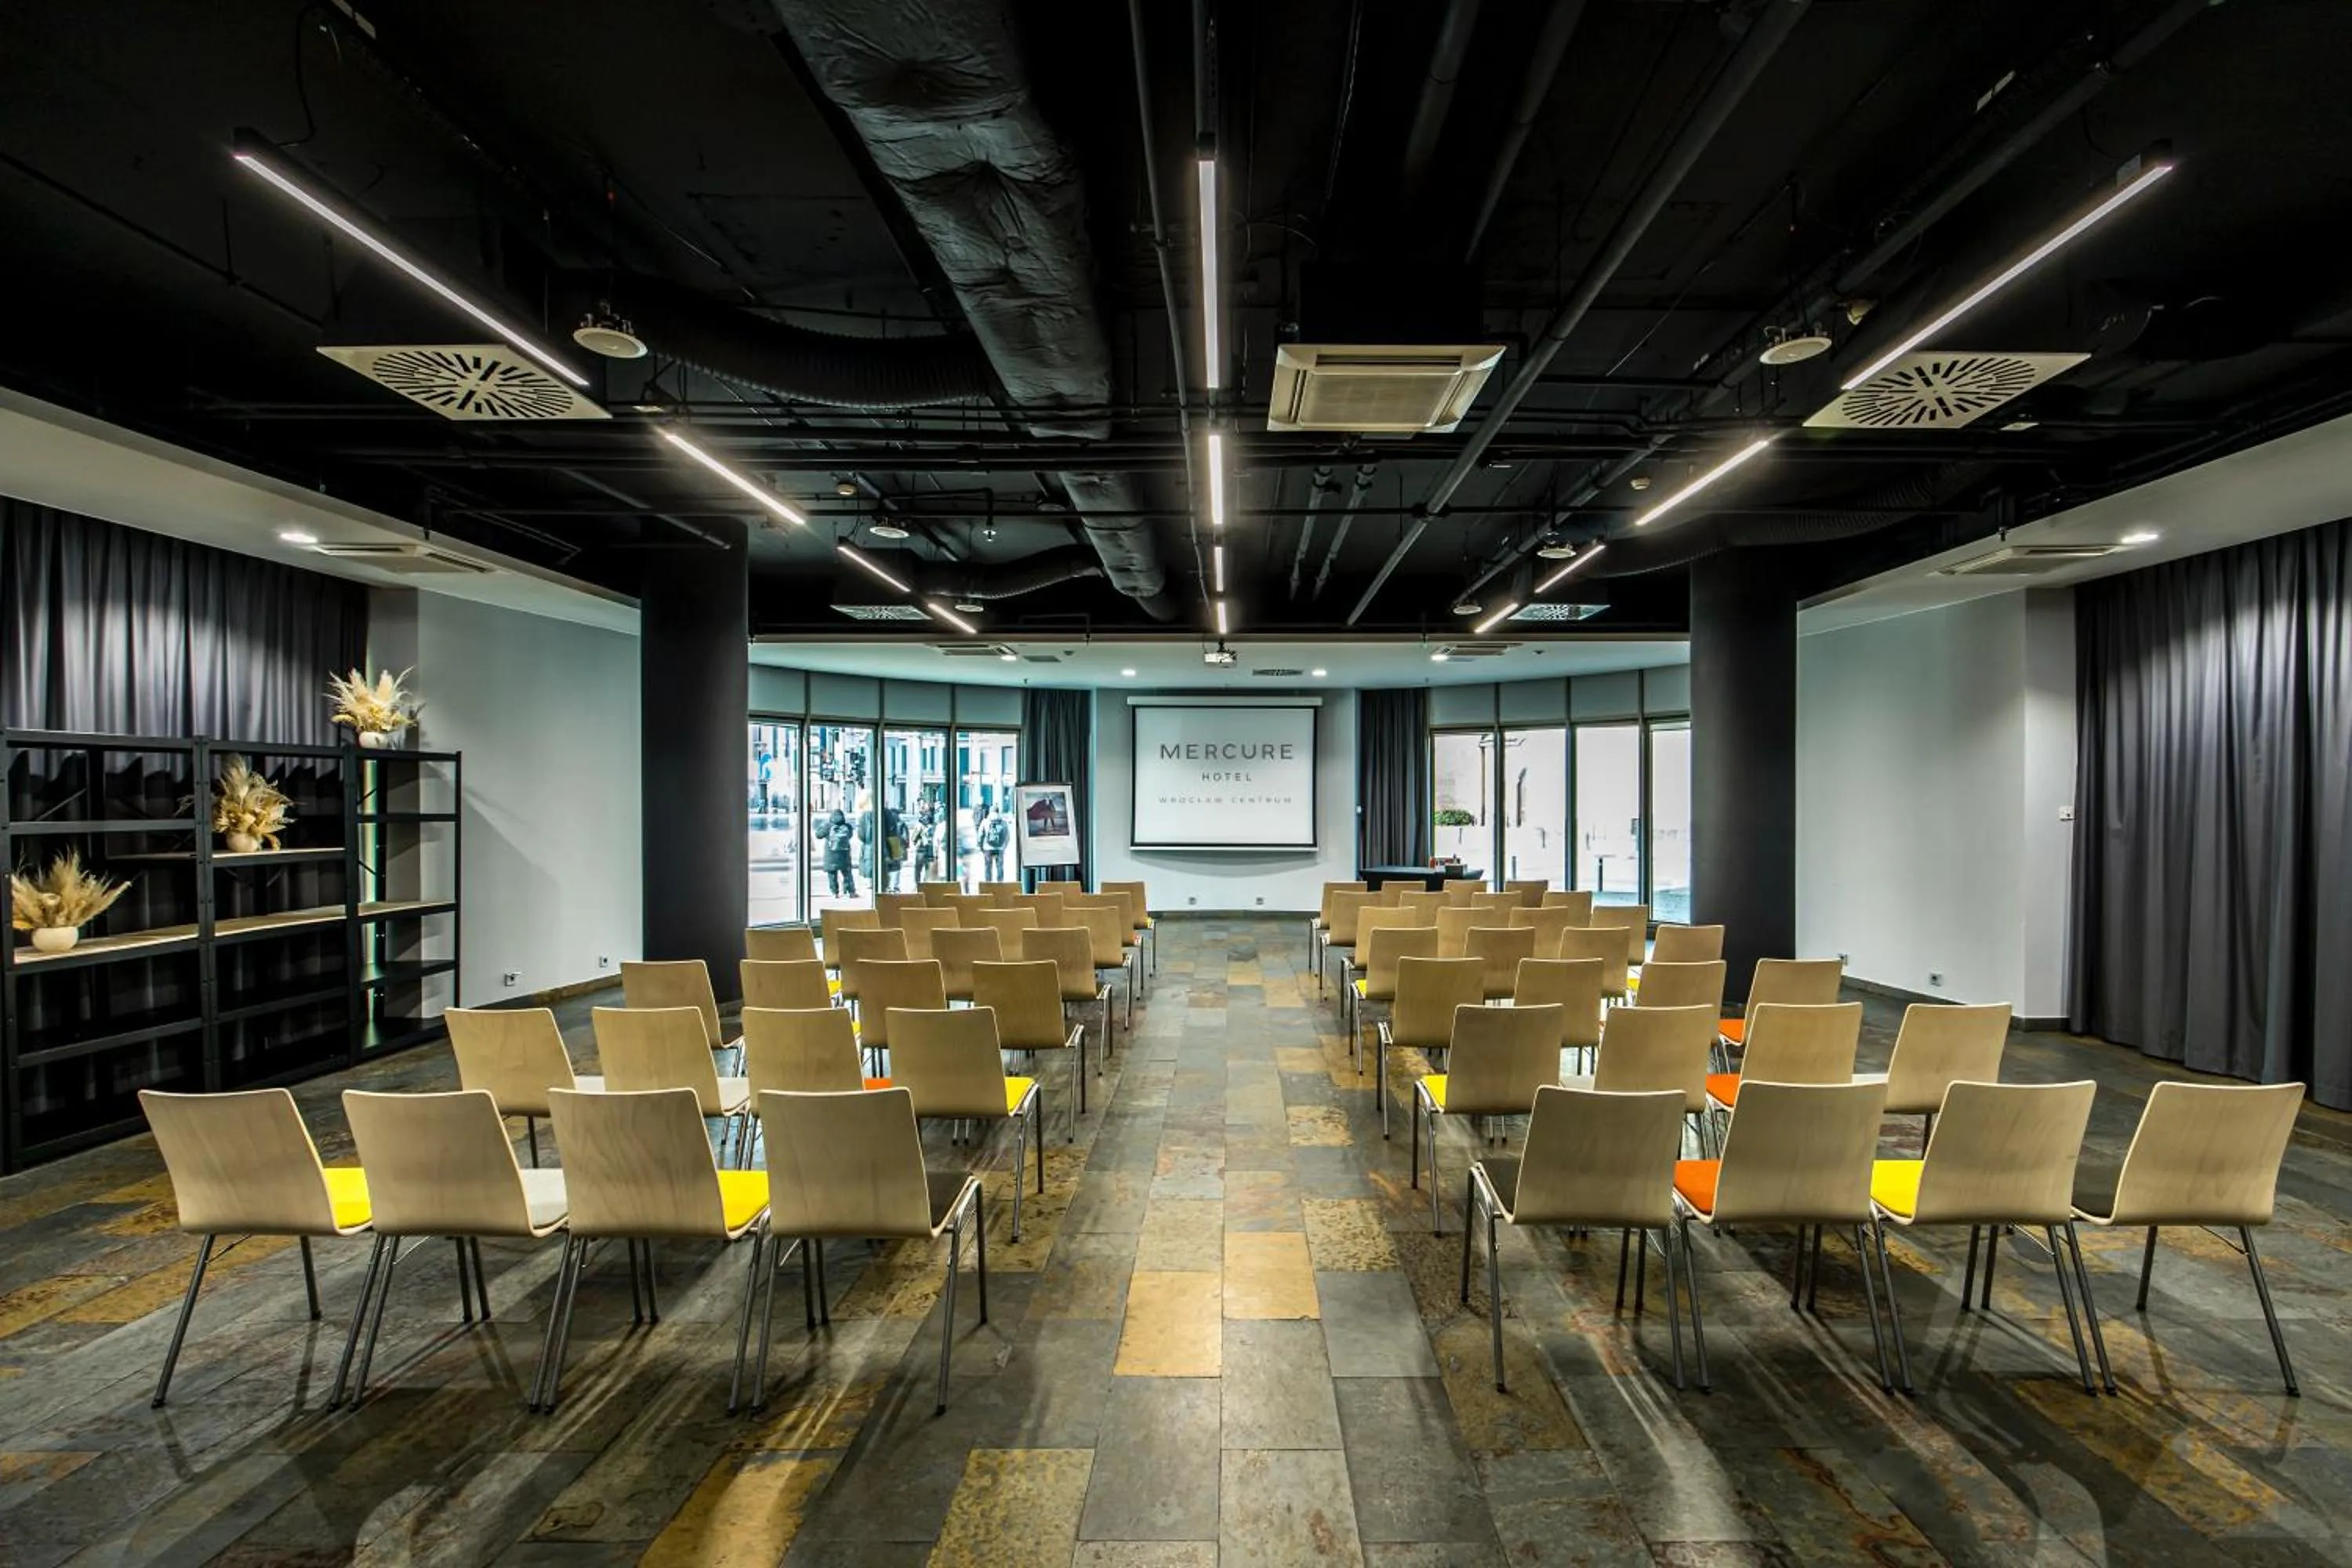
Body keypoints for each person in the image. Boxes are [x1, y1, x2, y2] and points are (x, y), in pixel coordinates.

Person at [822, 808, 855, 897]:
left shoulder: (828, 826)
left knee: (832, 873)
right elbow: (850, 836)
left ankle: (835, 892)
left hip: (831, 854)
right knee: (847, 873)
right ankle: (849, 891)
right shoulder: (847, 827)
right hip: (844, 853)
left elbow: (818, 835)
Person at [980, 806, 1011, 881]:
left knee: (988, 866)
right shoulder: (1003, 822)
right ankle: (1000, 883)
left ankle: (988, 883)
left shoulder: (985, 821)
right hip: (1000, 848)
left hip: (988, 848)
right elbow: (1007, 836)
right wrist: (1004, 847)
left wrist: (981, 847)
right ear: (998, 812)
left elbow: (980, 835)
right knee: (1000, 867)